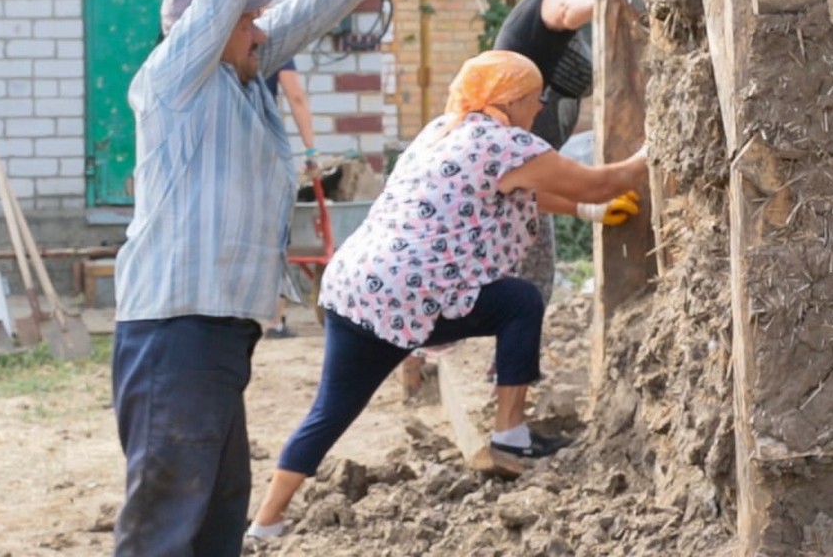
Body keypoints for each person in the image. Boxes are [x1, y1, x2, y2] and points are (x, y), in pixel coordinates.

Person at [110, 0, 473, 557]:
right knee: (169, 520)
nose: (264, 27)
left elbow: (314, 6)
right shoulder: (179, 79)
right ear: (210, 31)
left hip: (216, 331)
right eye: (251, 19)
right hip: (175, 330)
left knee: (216, 511)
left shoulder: (247, 80)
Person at [246, 50, 647, 539]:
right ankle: (510, 436)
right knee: (519, 302)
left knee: (330, 410)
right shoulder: (506, 144)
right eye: (535, 98)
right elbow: (601, 180)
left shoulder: (445, 130)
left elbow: (520, 190)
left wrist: (588, 214)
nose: (540, 108)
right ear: (511, 99)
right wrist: (657, 149)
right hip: (406, 295)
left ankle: (266, 522)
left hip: (354, 286)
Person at [492, 0, 617, 309]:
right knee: (523, 289)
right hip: (511, 161)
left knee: (530, 282)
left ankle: (504, 365)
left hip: (526, 167)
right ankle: (503, 367)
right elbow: (566, 10)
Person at [265, 59, 316, 338]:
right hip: (263, 146)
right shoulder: (271, 38)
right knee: (273, 232)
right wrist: (310, 152)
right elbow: (295, 95)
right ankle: (274, 320)